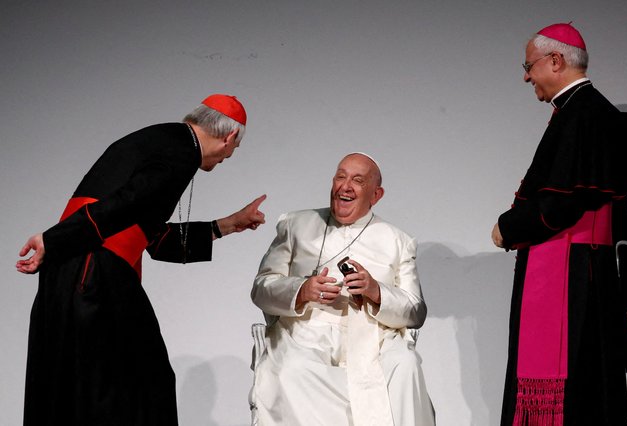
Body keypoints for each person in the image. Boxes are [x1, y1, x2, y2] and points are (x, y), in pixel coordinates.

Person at [16, 93, 266, 426]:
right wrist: (52, 239)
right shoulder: (181, 152)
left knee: (87, 389)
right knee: (134, 386)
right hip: (93, 272)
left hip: (80, 266)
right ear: (230, 137)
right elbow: (126, 202)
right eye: (234, 150)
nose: (228, 157)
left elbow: (154, 240)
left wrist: (228, 225)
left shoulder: (167, 141)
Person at [492, 23, 627, 425]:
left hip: (570, 272)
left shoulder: (582, 114)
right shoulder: (590, 111)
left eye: (529, 65)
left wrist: (509, 227)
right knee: (592, 383)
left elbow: (562, 202)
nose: (526, 76)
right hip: (590, 267)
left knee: (575, 389)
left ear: (555, 61)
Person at [251, 153, 436, 426]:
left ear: (376, 194)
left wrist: (376, 291)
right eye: (341, 176)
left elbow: (415, 311)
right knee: (292, 370)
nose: (345, 186)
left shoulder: (398, 241)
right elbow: (261, 287)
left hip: (374, 337)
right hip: (306, 331)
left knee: (405, 365)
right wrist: (301, 289)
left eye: (358, 180)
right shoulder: (295, 224)